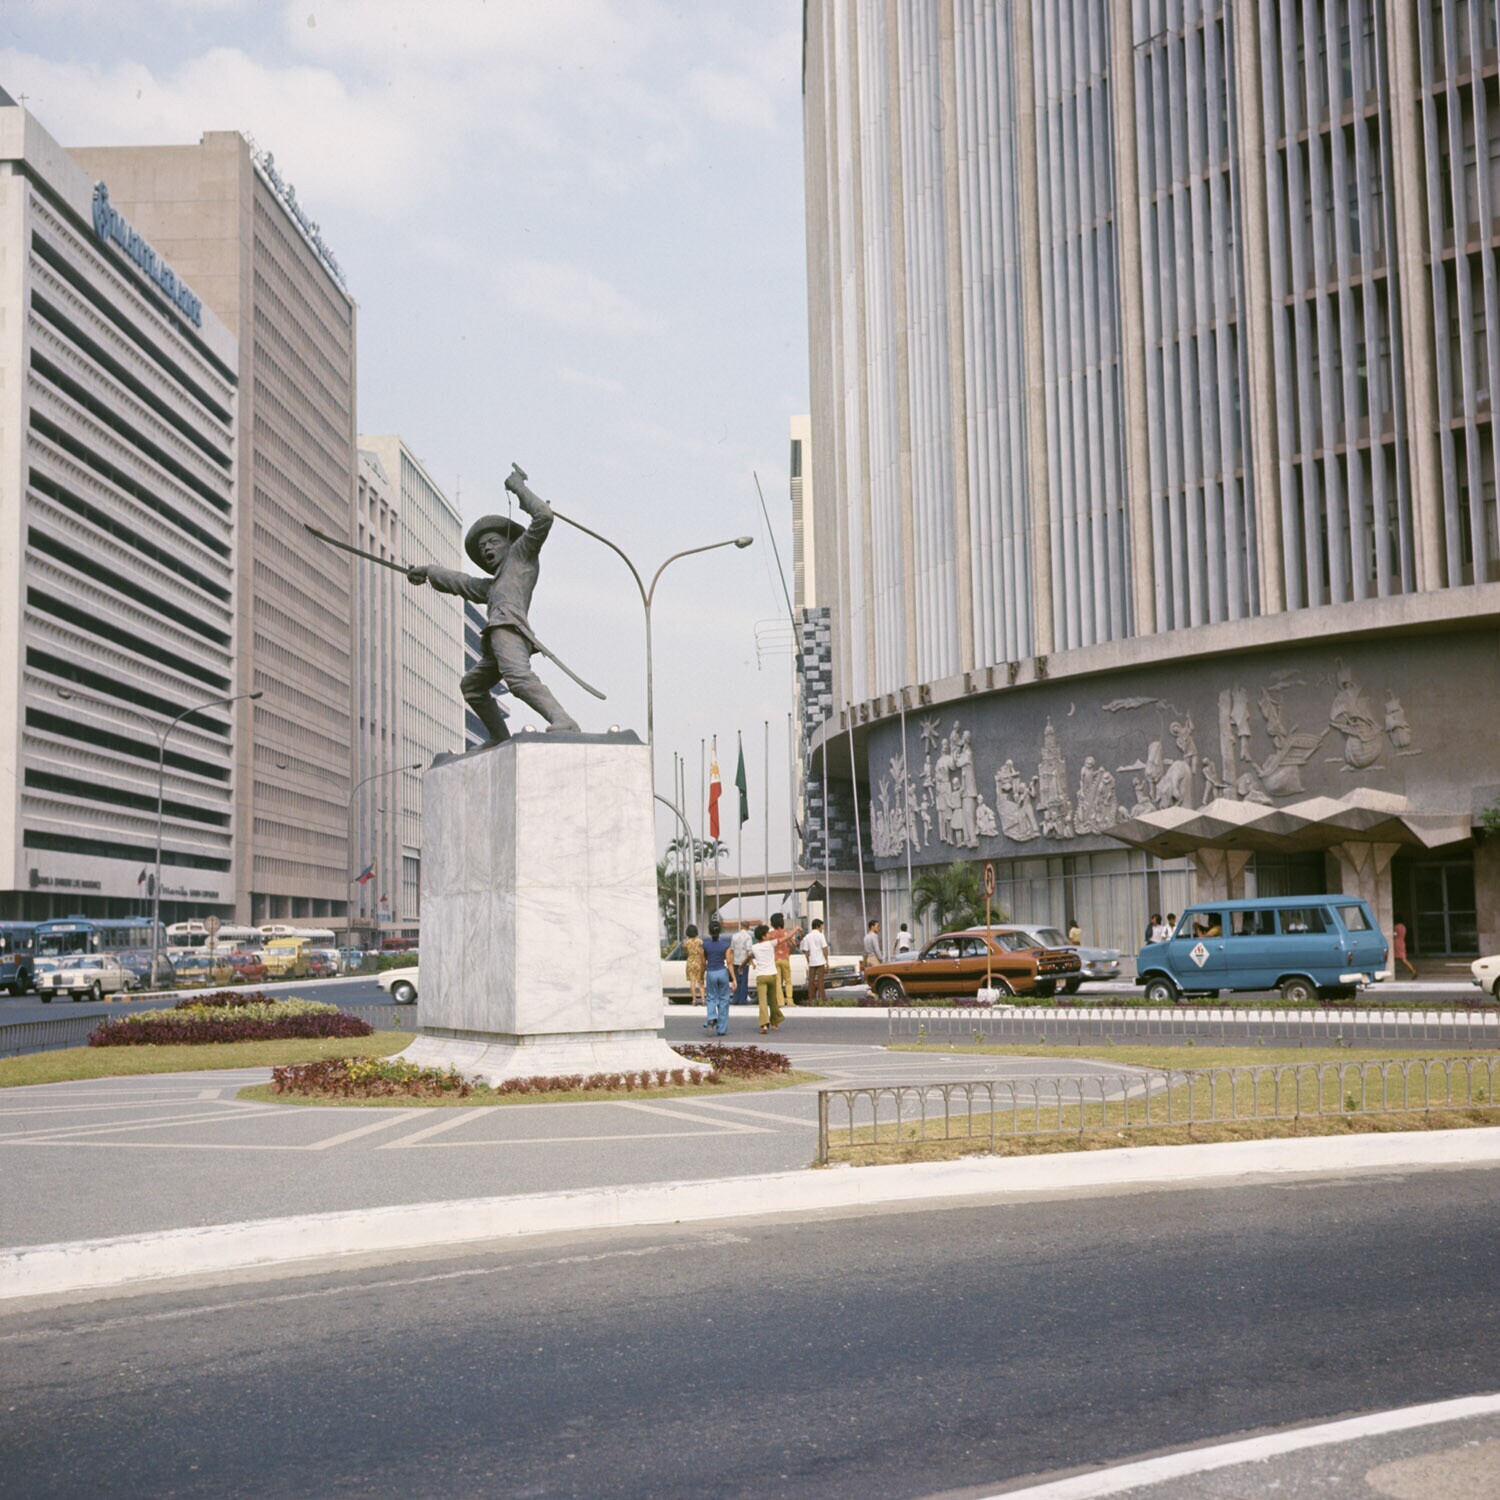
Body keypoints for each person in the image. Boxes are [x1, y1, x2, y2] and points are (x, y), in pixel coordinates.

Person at [406, 465, 580, 739]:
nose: (486, 547)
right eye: (482, 546)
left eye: (492, 541)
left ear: (510, 543)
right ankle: (499, 737)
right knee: (472, 687)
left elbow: (543, 516)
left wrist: (518, 487)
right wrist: (428, 571)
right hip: (496, 639)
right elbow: (463, 582)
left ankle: (563, 720)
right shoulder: (492, 585)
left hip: (510, 630)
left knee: (518, 678)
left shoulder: (521, 556)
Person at [700, 918, 733, 1036]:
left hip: (711, 973)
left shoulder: (705, 945)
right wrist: (734, 978)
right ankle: (722, 1029)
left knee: (711, 998)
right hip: (722, 972)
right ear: (720, 931)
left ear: (709, 932)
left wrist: (700, 977)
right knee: (724, 999)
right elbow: (729, 962)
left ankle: (712, 1016)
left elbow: (703, 963)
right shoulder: (725, 945)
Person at [750, 922, 783, 1033]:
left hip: (761, 977)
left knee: (763, 1001)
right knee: (773, 1000)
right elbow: (785, 938)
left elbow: (748, 957)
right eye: (768, 933)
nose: (770, 935)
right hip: (772, 975)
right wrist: (796, 930)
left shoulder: (754, 947)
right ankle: (774, 1023)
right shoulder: (770, 944)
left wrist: (740, 967)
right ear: (763, 936)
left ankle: (764, 1025)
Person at [770, 912, 797, 1011]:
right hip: (785, 958)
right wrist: (789, 952)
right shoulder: (787, 932)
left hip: (775, 959)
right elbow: (794, 944)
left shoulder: (771, 934)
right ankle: (790, 1000)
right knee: (788, 980)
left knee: (777, 982)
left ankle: (780, 1002)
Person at [803, 918, 830, 1004]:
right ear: (818, 927)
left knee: (811, 981)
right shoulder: (820, 935)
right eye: (822, 927)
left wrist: (808, 961)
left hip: (812, 961)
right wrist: (827, 961)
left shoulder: (807, 936)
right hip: (820, 961)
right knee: (820, 981)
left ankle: (811, 999)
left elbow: (806, 951)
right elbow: (824, 949)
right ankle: (821, 999)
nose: (822, 928)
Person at [729, 921, 754, 1006]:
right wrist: (752, 962)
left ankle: (735, 999)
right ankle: (742, 1000)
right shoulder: (748, 937)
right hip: (744, 963)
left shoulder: (734, 936)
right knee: (744, 981)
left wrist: (731, 961)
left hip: (735, 961)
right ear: (748, 927)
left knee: (736, 980)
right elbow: (749, 951)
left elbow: (732, 950)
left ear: (741, 926)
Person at [683, 923, 705, 1008]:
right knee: (700, 981)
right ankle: (703, 1000)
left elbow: (686, 951)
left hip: (690, 962)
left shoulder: (686, 942)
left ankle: (694, 1000)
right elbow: (702, 952)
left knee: (692, 981)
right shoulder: (700, 941)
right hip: (699, 962)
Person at [1392, 914, 1417, 979]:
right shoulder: (1403, 927)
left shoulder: (1396, 927)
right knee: (1403, 959)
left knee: (1396, 958)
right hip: (1402, 942)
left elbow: (1394, 934)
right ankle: (1413, 971)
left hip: (1396, 943)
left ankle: (1413, 971)